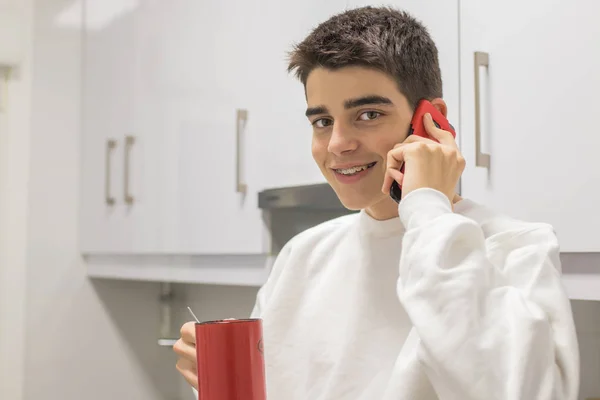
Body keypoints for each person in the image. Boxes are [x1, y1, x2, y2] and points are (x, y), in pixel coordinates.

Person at [173, 6, 580, 399]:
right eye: (322, 121)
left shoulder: (517, 248)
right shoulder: (303, 255)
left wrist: (425, 206)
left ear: (431, 121)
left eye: (368, 114)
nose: (337, 144)